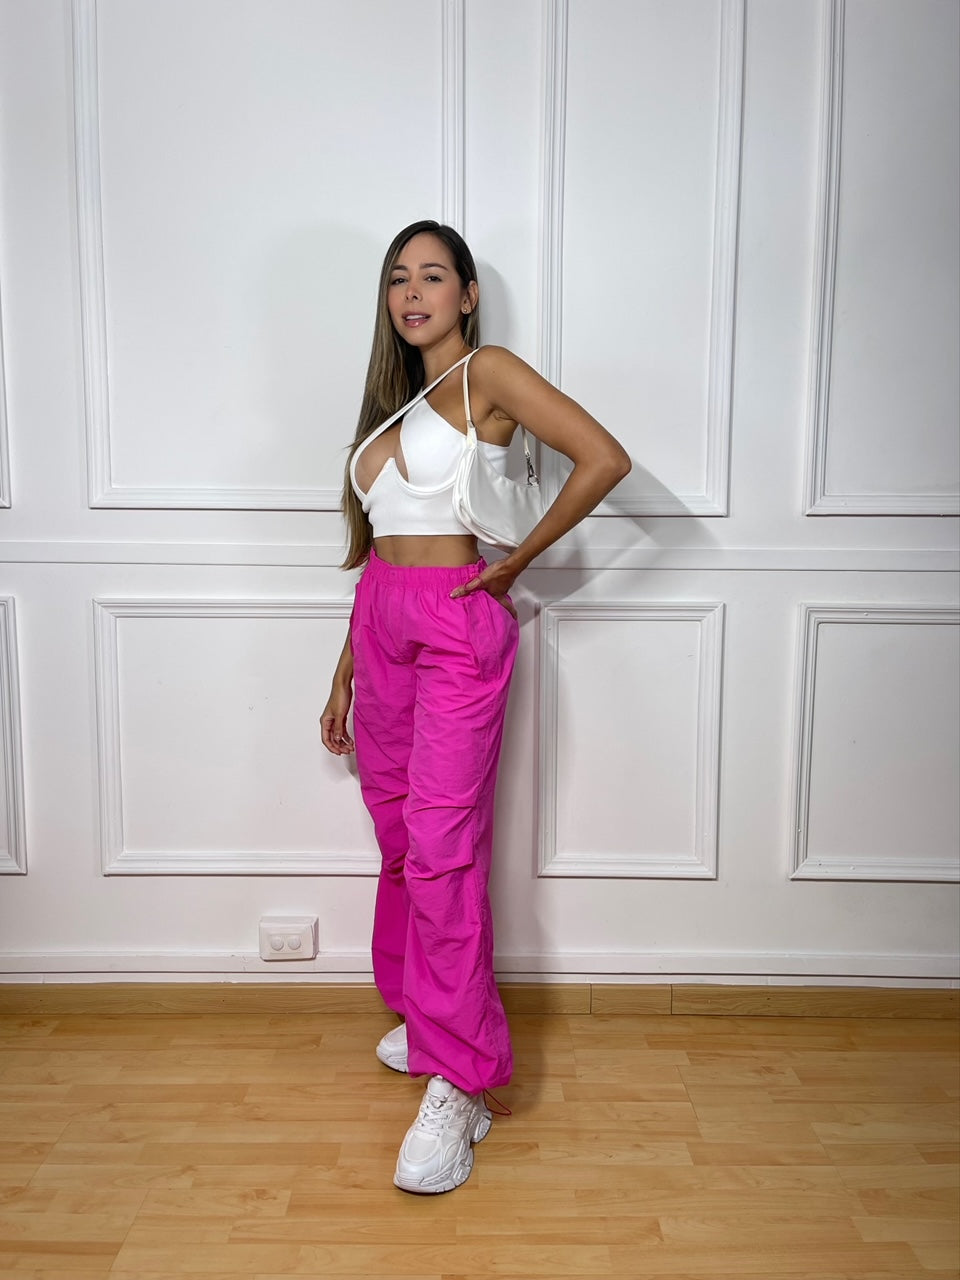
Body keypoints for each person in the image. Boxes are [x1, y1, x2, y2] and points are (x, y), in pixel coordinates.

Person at [320, 219, 630, 1194]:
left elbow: (604, 457)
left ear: (468, 295)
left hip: (455, 620)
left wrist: (516, 564)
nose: (412, 293)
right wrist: (344, 667)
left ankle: (462, 1081)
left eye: (431, 276)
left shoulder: (485, 374)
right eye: (397, 279)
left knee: (443, 848)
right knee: (400, 836)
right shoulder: (394, 406)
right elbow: (379, 548)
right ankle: (430, 1015)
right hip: (381, 620)